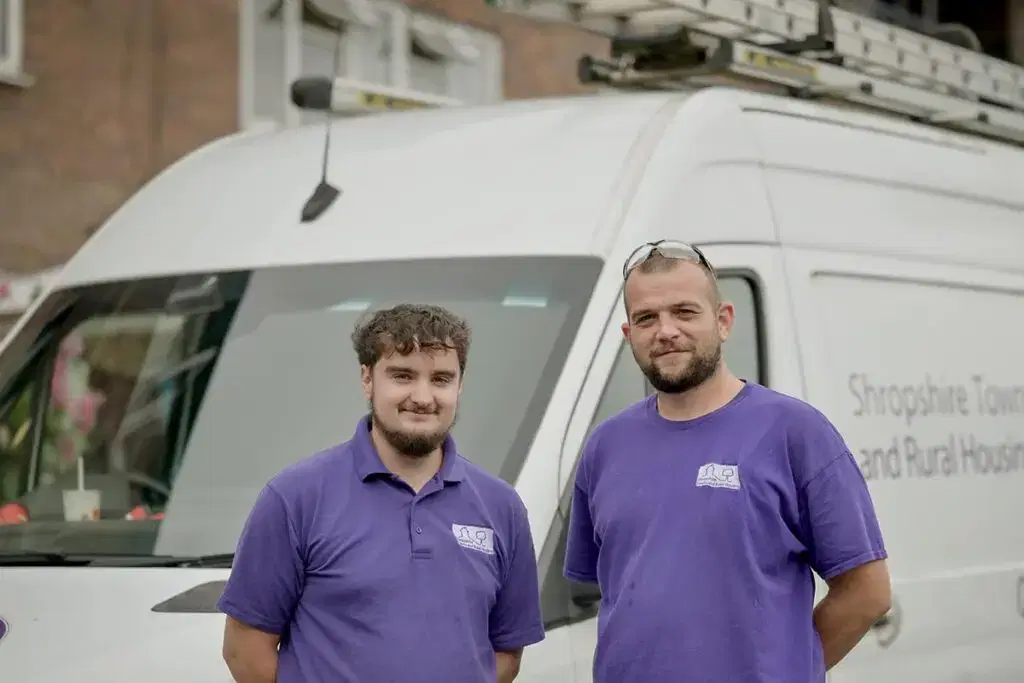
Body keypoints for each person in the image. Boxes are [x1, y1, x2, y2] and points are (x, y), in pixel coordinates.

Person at [563, 240, 892, 683]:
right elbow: (609, 593)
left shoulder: (795, 432)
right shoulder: (605, 446)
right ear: (629, 335)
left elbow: (868, 593)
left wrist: (789, 667)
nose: (665, 331)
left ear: (723, 321)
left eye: (684, 312)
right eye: (646, 318)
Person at [218, 303, 546, 683]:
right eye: (403, 376)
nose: (423, 397)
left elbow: (506, 653)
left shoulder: (501, 507)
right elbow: (243, 649)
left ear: (460, 384)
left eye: (441, 379)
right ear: (367, 379)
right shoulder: (294, 498)